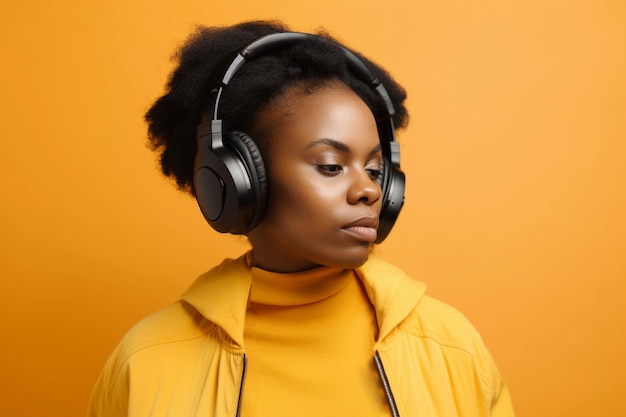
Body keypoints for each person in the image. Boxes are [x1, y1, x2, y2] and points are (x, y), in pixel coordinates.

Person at [87, 20, 515, 417]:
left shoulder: (451, 346)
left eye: (375, 170)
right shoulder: (146, 359)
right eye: (331, 165)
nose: (368, 190)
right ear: (238, 180)